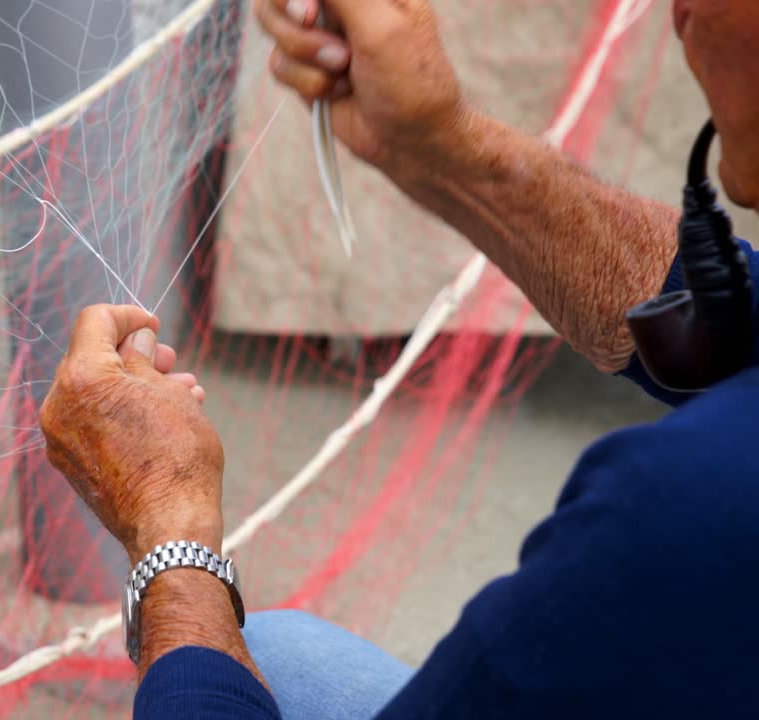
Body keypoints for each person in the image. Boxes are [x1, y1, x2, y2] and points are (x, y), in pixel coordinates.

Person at [37, 0, 759, 718]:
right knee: (284, 656)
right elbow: (734, 322)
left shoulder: (679, 512)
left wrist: (170, 537)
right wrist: (434, 142)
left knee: (250, 666)